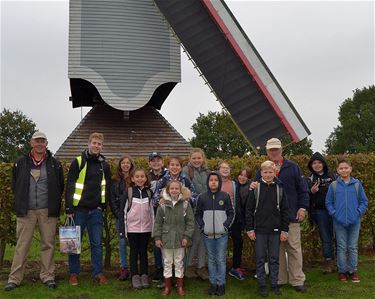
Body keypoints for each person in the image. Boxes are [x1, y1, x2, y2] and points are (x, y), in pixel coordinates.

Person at [4, 131, 64, 292]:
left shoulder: (54, 164)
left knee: (48, 244)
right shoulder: (20, 163)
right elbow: (16, 185)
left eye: (42, 141)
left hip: (47, 210)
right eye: (36, 141)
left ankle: (48, 276)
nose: (39, 144)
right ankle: (14, 279)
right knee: (22, 245)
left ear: (46, 143)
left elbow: (60, 186)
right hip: (26, 211)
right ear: (31, 143)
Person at [251, 138, 309, 292]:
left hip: (291, 216)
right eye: (271, 150)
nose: (274, 152)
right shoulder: (262, 170)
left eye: (276, 149)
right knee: (277, 252)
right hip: (271, 220)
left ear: (281, 150)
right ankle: (280, 279)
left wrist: (302, 208)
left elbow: (303, 190)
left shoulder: (293, 167)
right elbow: (255, 192)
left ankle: (297, 280)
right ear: (267, 151)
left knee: (294, 248)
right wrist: (252, 185)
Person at [65, 132, 111, 286]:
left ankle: (98, 273)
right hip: (78, 211)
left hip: (96, 211)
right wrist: (69, 207)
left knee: (97, 244)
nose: (96, 146)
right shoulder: (78, 162)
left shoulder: (104, 164)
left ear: (101, 146)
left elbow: (107, 186)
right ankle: (73, 273)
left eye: (99, 144)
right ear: (89, 143)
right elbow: (70, 185)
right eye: (94, 143)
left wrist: (103, 205)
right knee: (74, 243)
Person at [246, 161, 289, 297]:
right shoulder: (256, 188)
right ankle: (262, 284)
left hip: (275, 230)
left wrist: (284, 230)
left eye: (271, 172)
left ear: (275, 172)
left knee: (274, 259)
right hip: (259, 230)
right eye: (265, 172)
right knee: (260, 258)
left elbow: (285, 210)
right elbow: (249, 210)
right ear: (261, 173)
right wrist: (250, 229)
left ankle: (274, 284)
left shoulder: (280, 187)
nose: (268, 174)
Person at [325, 159, 368, 283]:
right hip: (338, 222)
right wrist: (334, 214)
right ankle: (342, 271)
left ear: (350, 169)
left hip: (354, 221)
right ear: (338, 171)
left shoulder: (357, 184)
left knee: (353, 247)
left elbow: (364, 202)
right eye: (341, 168)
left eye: (346, 168)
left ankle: (353, 271)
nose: (344, 170)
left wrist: (358, 213)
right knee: (341, 247)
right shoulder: (333, 185)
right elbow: (329, 202)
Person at [195, 172, 235, 296]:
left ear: (219, 182)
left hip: (221, 235)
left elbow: (231, 213)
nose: (213, 182)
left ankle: (221, 284)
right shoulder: (202, 197)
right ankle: (213, 284)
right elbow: (198, 214)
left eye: (216, 180)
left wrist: (225, 226)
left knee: (221, 260)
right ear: (208, 182)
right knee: (211, 260)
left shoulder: (225, 196)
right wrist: (202, 226)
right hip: (208, 235)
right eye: (211, 180)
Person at [154, 181, 195, 296]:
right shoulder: (162, 205)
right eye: (172, 188)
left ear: (180, 190)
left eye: (177, 188)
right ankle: (167, 287)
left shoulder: (185, 204)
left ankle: (180, 286)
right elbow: (157, 223)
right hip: (166, 239)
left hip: (180, 239)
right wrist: (157, 237)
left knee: (179, 262)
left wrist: (186, 236)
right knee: (167, 262)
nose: (174, 190)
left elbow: (190, 223)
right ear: (168, 190)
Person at [118, 168, 154, 290]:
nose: (140, 179)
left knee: (143, 252)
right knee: (134, 253)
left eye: (142, 176)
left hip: (146, 229)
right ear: (132, 179)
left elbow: (152, 212)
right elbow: (122, 212)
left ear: (145, 178)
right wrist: (123, 230)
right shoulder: (128, 192)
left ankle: (144, 275)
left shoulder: (149, 193)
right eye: (137, 177)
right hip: (132, 229)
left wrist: (153, 228)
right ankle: (134, 275)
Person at [182, 148, 210, 280]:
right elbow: (186, 190)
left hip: (207, 209)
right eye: (194, 158)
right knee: (195, 239)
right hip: (193, 209)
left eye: (199, 158)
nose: (196, 160)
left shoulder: (208, 172)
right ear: (190, 159)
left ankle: (200, 266)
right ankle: (188, 266)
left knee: (204, 238)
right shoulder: (186, 171)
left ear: (203, 159)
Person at [306, 152, 336, 273]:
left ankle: (340, 261)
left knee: (338, 236)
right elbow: (305, 196)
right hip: (320, 211)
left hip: (335, 210)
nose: (317, 165)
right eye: (314, 163)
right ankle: (328, 261)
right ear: (311, 165)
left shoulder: (332, 175)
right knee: (325, 237)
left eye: (319, 162)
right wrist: (312, 191)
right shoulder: (309, 179)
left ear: (323, 164)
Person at [109, 155, 135, 281]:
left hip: (134, 216)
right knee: (122, 242)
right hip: (120, 215)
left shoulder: (135, 179)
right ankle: (124, 268)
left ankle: (134, 268)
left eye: (128, 163)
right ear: (120, 165)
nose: (125, 165)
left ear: (131, 165)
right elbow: (112, 198)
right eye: (123, 163)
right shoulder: (114, 180)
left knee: (134, 243)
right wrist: (117, 213)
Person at [218, 162, 244, 281]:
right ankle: (219, 268)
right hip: (218, 219)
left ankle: (235, 268)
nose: (225, 170)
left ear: (230, 170)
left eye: (227, 168)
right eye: (223, 168)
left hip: (233, 218)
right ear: (218, 170)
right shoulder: (215, 183)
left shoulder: (234, 184)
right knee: (219, 245)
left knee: (238, 242)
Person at [148, 151, 167, 286]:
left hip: (168, 213)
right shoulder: (147, 176)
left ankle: (169, 271)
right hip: (153, 213)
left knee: (168, 242)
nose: (156, 163)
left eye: (158, 160)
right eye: (153, 160)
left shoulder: (168, 175)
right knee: (157, 242)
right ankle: (159, 269)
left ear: (162, 162)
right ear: (149, 163)